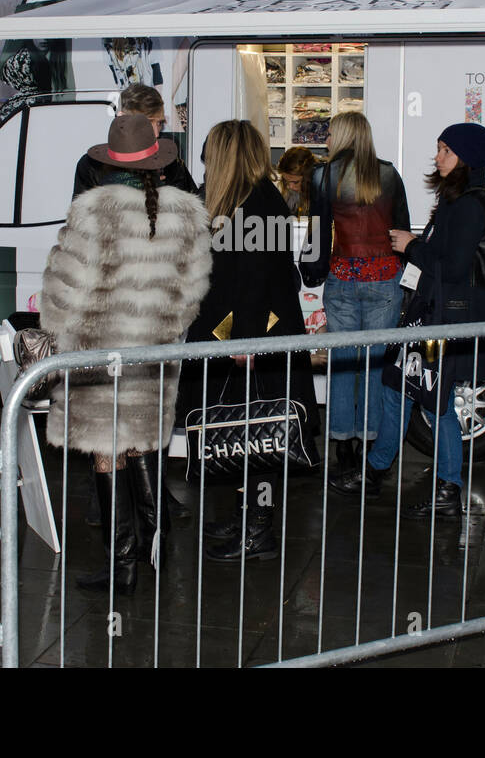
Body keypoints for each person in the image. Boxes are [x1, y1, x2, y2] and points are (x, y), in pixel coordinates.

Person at [39, 113, 212, 594]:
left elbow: (61, 291)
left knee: (106, 453)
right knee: (137, 443)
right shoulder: (185, 212)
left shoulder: (92, 211)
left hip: (100, 352)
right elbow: (194, 291)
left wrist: (56, 333)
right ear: (156, 163)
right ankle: (152, 546)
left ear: (110, 161)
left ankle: (123, 565)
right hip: (153, 352)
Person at [331, 122, 485, 519]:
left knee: (434, 402)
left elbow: (455, 268)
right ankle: (375, 470)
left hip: (444, 322)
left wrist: (413, 246)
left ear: (467, 158)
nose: (438, 157)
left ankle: (448, 487)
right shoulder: (457, 200)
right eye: (439, 148)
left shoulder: (470, 204)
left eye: (446, 150)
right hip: (428, 317)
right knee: (397, 388)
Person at [178, 120, 318, 561]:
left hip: (253, 338)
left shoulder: (256, 203)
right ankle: (248, 516)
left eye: (210, 154)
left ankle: (258, 528)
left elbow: (256, 281)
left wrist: (245, 343)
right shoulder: (249, 200)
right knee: (245, 434)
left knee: (261, 437)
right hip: (246, 333)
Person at [309, 111, 410, 473]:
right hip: (384, 277)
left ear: (346, 135)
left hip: (342, 277)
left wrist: (311, 272)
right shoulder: (388, 174)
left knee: (342, 363)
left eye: (331, 133)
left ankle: (341, 441)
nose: (327, 140)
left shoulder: (323, 175)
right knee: (374, 362)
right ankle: (369, 438)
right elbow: (403, 231)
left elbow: (318, 235)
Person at [73, 83, 197, 196]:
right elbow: (82, 217)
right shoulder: (92, 166)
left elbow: (192, 210)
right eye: (147, 124)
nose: (155, 133)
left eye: (159, 123)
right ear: (122, 120)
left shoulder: (169, 162)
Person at [275, 145, 317, 218]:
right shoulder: (286, 193)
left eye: (295, 182)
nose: (290, 187)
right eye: (286, 181)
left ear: (308, 179)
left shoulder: (322, 197)